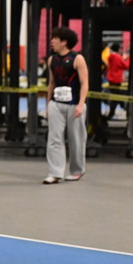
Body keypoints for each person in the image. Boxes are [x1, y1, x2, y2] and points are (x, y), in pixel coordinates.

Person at [44, 26, 88, 184]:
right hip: (56, 104)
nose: (52, 41)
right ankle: (55, 173)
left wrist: (81, 104)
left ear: (64, 42)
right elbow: (51, 83)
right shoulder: (52, 60)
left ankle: (77, 170)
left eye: (55, 39)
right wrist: (48, 105)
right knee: (54, 139)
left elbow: (84, 83)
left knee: (76, 139)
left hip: (74, 104)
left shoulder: (78, 59)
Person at [105, 43, 129, 119]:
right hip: (116, 79)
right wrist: (128, 59)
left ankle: (112, 113)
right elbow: (125, 66)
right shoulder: (117, 57)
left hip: (111, 78)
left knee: (115, 96)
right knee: (116, 97)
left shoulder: (111, 56)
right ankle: (122, 108)